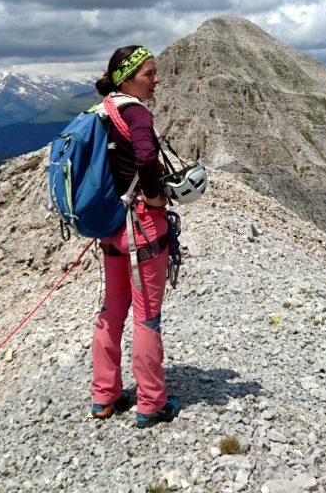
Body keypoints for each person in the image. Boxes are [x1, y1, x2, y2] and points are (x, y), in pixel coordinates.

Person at [90, 45, 180, 428]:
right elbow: (145, 159)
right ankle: (150, 403)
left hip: (110, 226)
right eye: (149, 74)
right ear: (127, 77)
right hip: (142, 227)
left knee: (112, 310)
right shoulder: (138, 113)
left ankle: (104, 396)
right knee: (147, 317)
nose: (156, 80)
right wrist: (157, 195)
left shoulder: (103, 110)